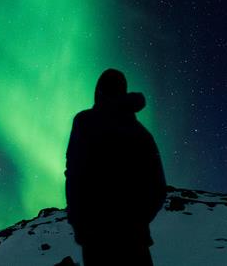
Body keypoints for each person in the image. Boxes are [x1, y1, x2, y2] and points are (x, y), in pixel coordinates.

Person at [65, 69, 167, 265]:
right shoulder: (142, 134)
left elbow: (74, 174)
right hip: (135, 240)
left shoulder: (85, 122)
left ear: (98, 92)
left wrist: (80, 224)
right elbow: (158, 188)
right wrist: (137, 222)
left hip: (96, 237)